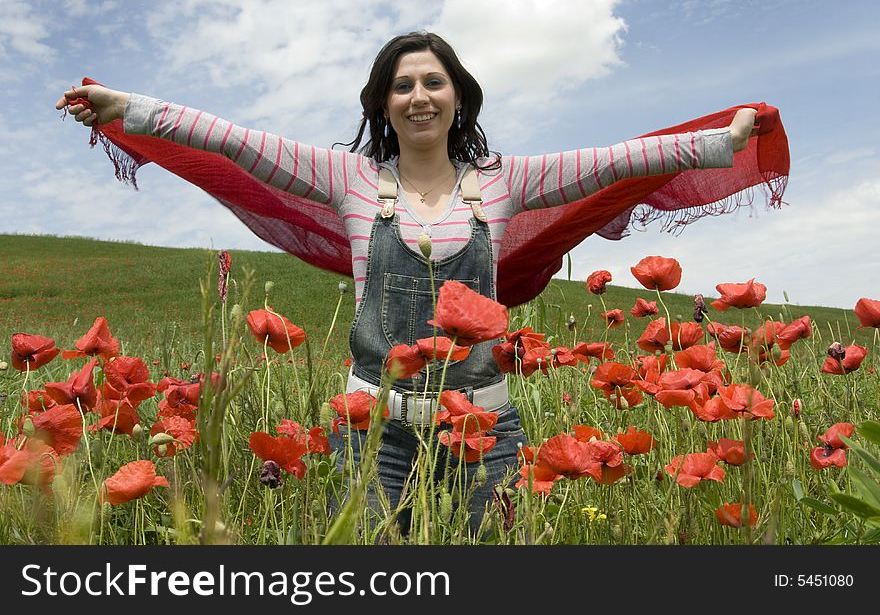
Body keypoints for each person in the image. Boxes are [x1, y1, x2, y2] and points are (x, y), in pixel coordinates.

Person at [55, 31, 758, 538]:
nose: (419, 96)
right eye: (402, 85)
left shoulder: (503, 183)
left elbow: (617, 161)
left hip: (486, 430)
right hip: (372, 432)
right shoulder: (353, 181)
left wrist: (720, 143)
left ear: (458, 96)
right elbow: (235, 139)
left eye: (433, 81)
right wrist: (130, 108)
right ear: (383, 104)